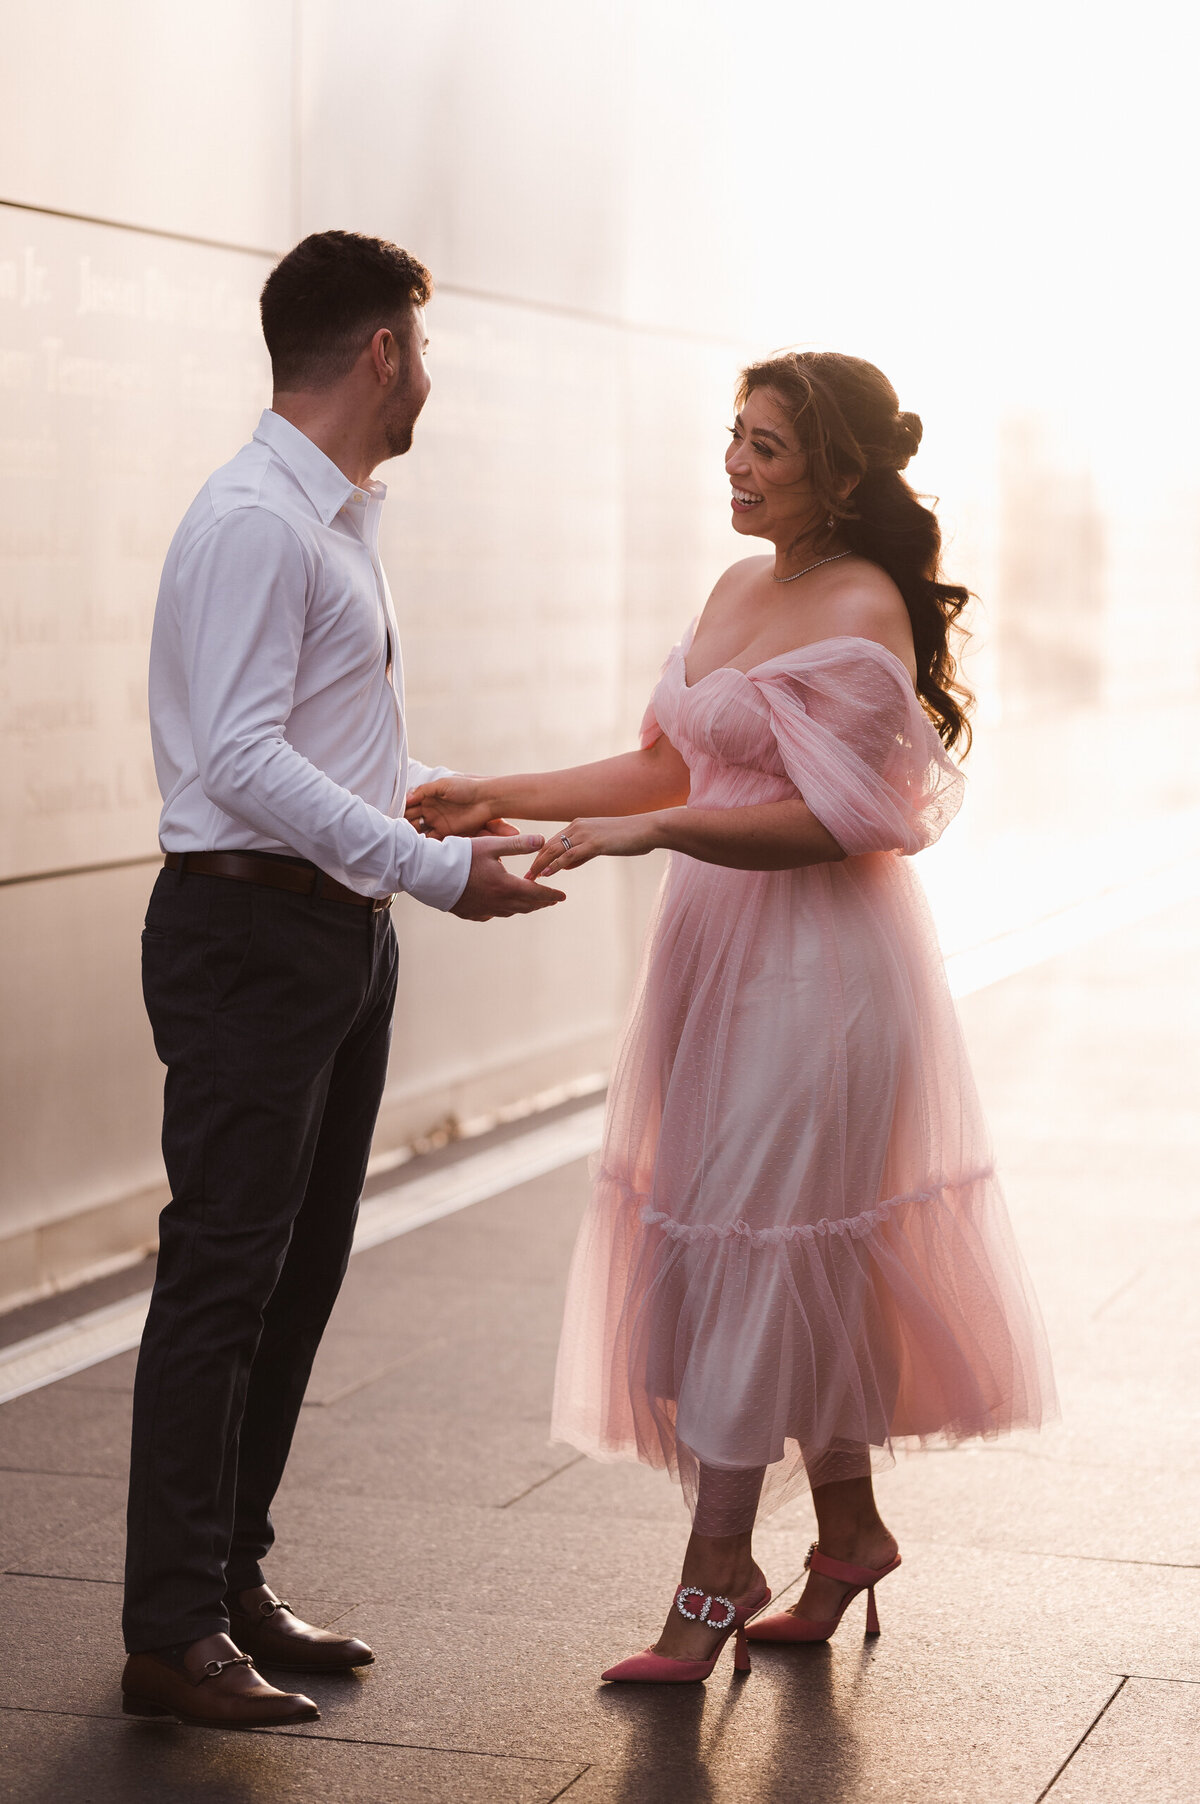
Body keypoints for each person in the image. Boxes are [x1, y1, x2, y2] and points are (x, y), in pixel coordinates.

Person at [408, 350, 1056, 1683]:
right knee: (755, 1241)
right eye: (735, 436)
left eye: (767, 447)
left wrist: (657, 830)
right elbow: (669, 757)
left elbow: (842, 821)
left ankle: (713, 1578)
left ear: (841, 474)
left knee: (763, 1241)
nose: (737, 466)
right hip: (719, 959)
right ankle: (851, 1535)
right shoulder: (736, 585)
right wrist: (502, 793)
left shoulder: (866, 606)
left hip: (821, 977)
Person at [121, 231, 564, 1729]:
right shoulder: (257, 520)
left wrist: (454, 805)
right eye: (422, 349)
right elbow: (240, 760)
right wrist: (437, 873)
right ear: (382, 350)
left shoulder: (332, 524)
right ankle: (172, 1628)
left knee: (294, 1279)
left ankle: (229, 1581)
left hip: (329, 932)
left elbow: (328, 753)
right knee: (224, 1281)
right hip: (251, 938)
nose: (427, 375)